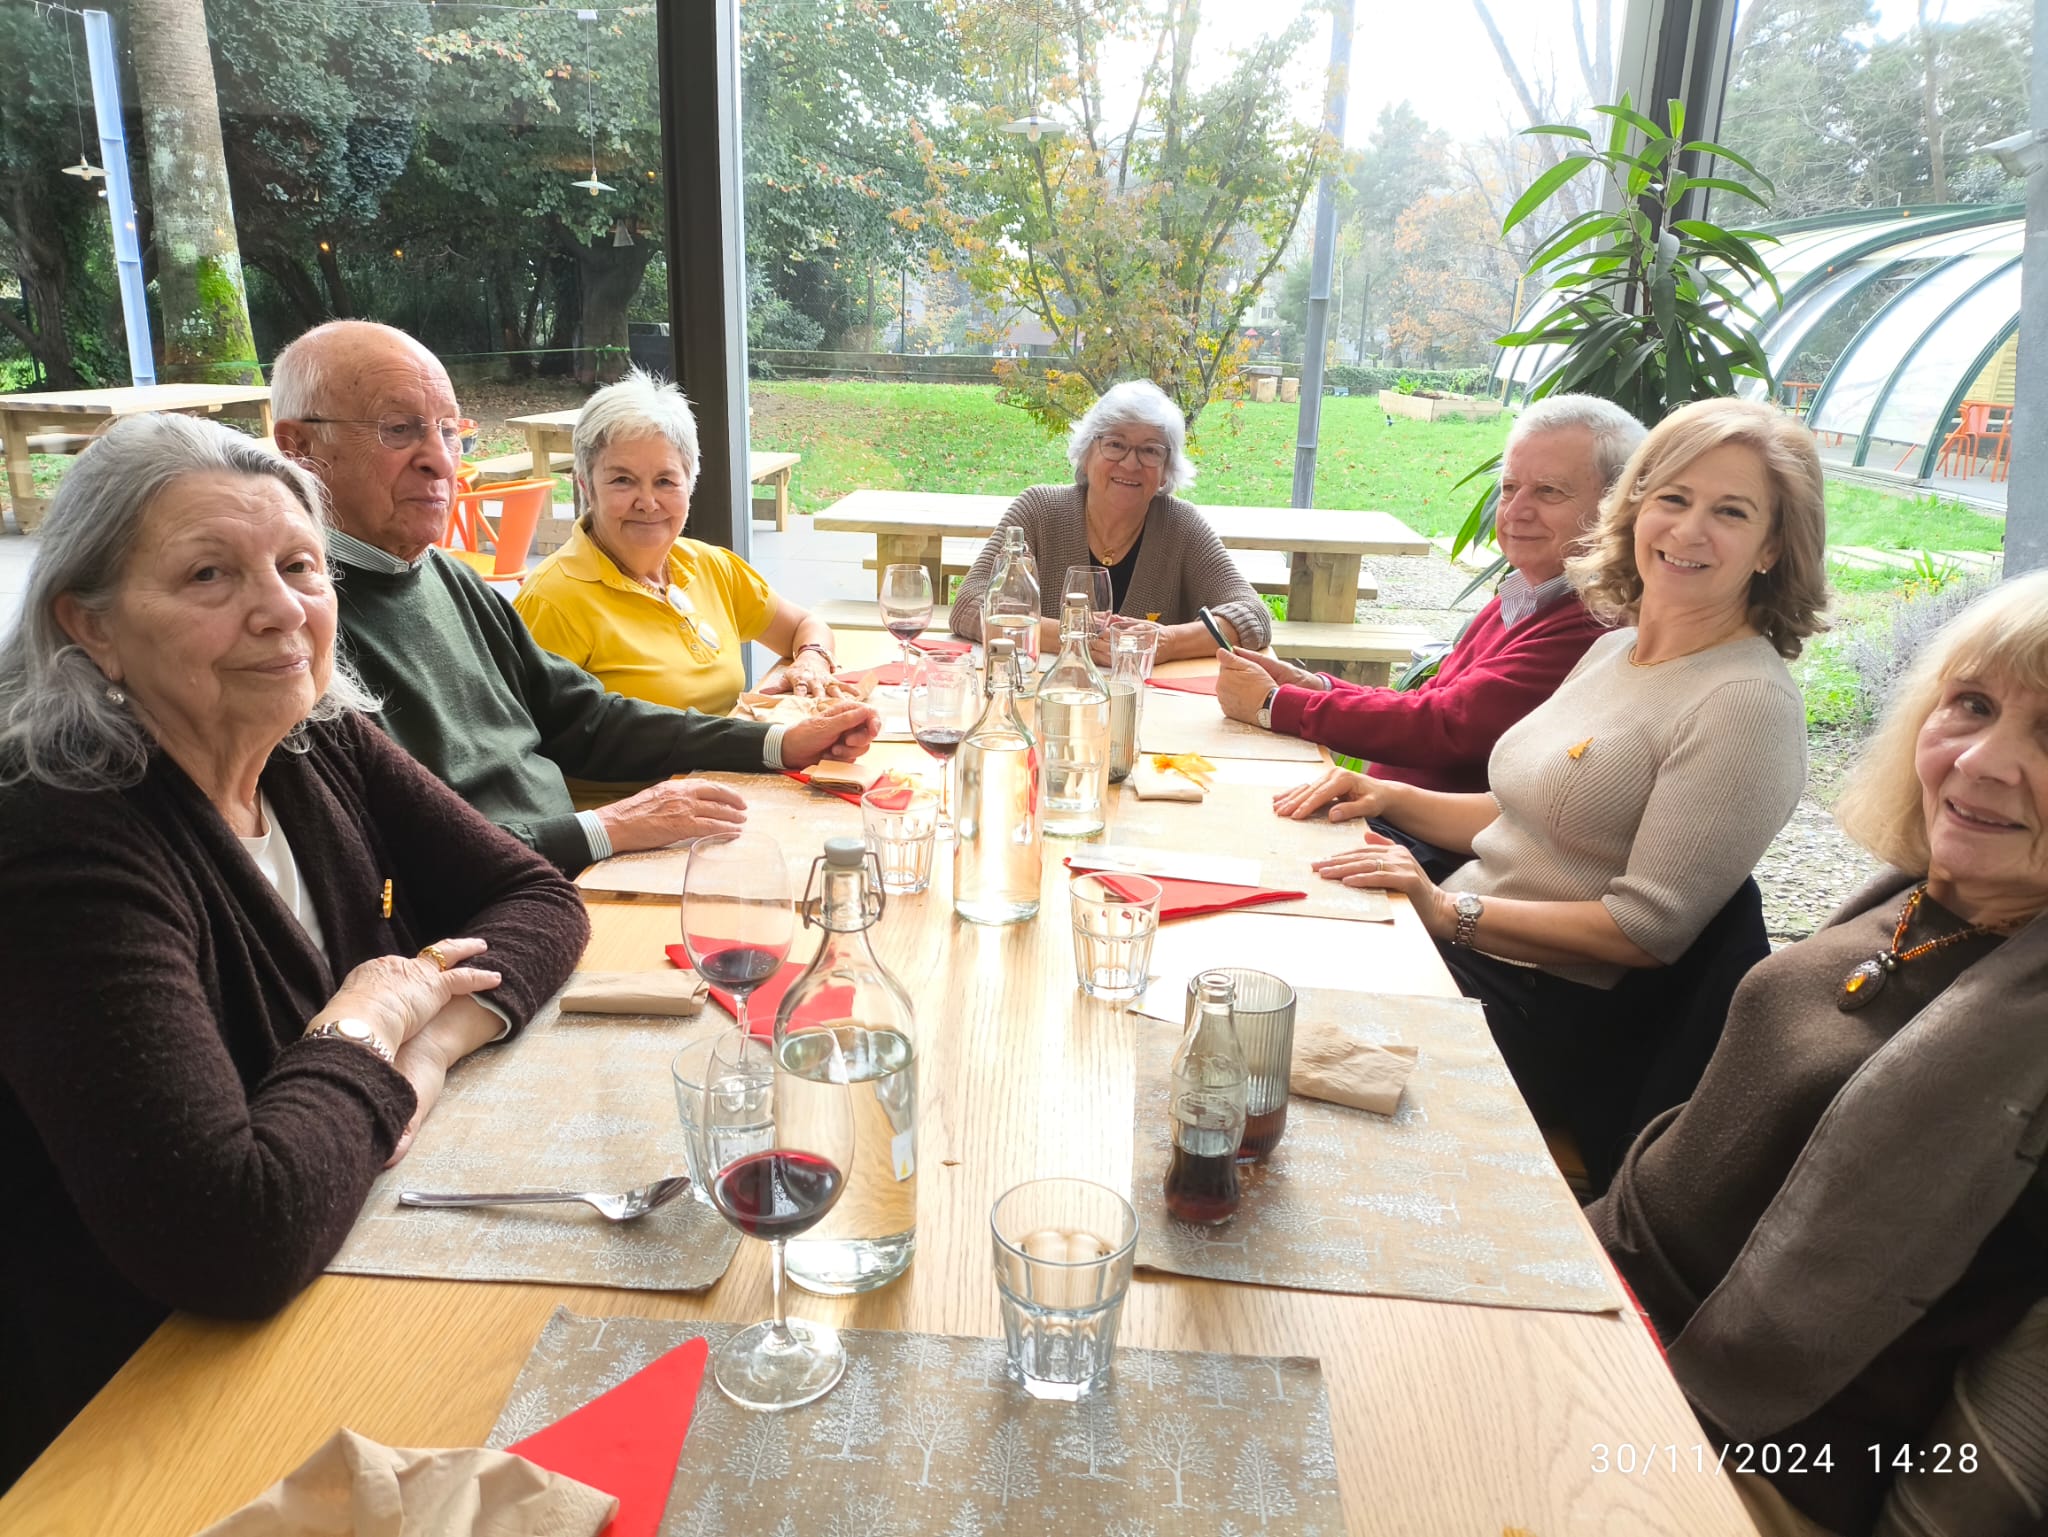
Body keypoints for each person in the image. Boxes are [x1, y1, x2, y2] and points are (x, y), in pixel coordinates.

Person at [0, 414, 588, 1485]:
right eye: (209, 577)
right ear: (90, 624)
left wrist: (424, 1049)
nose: (280, 611)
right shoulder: (59, 839)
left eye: (299, 566)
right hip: (143, 1407)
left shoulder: (315, 740)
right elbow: (230, 1229)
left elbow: (533, 896)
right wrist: (366, 1018)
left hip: (349, 1262)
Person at [1587, 571, 2048, 1537]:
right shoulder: (1925, 893)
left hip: (1733, 1447)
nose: (1981, 762)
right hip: (1600, 1284)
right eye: (1971, 703)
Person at [1274, 397, 1826, 1136]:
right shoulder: (1614, 649)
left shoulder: (1744, 703)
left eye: (1731, 512)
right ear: (1634, 510)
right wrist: (1388, 793)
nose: (1689, 529)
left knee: (1253, 1036)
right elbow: (1524, 815)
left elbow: (1642, 929)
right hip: (1466, 954)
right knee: (1250, 941)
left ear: (1772, 546)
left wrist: (1448, 913)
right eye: (1673, 498)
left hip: (1538, 1012)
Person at [270, 322, 877, 875]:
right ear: (297, 449)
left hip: (580, 869)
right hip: (512, 906)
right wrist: (604, 829)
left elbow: (585, 718)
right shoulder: (299, 633)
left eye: (451, 431)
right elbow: (400, 855)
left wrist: (776, 744)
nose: (438, 461)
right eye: (398, 429)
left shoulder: (447, 578)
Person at [1214, 396, 1642, 808]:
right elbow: (1437, 695)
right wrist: (1310, 684)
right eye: (1510, 488)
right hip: (1385, 821)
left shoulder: (1594, 621)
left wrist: (1275, 705)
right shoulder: (1530, 592)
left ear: (1617, 507)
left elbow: (1446, 725)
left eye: (1548, 491)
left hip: (1425, 850)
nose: (1514, 512)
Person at [514, 369, 845, 716]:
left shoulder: (710, 565)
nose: (647, 501)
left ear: (690, 482)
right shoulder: (551, 602)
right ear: (586, 486)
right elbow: (535, 744)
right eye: (622, 480)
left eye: (665, 481)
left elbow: (807, 626)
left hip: (736, 765)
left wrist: (812, 659)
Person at [950, 379, 1272, 659]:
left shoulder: (1181, 526)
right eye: (1115, 444)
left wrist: (1168, 642)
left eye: (1150, 451)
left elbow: (1253, 616)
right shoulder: (1038, 510)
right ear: (1087, 454)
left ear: (1165, 471)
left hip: (1152, 710)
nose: (1130, 464)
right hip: (1046, 702)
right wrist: (1071, 636)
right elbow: (969, 606)